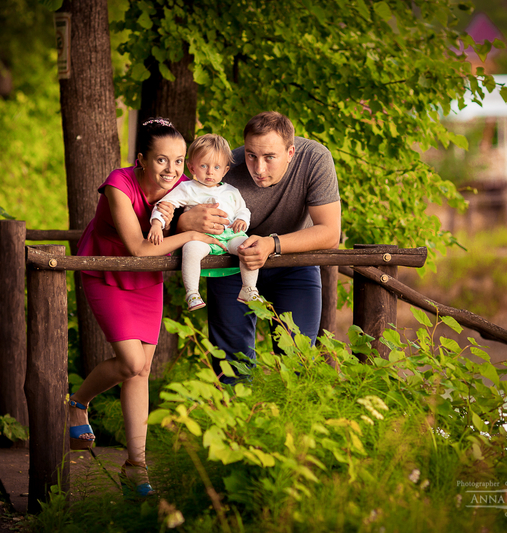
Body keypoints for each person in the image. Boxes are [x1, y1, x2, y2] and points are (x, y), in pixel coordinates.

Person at [70, 118, 224, 497]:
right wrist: (189, 233)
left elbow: (212, 211)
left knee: (141, 372)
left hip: (146, 280)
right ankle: (77, 402)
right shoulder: (118, 185)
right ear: (141, 159)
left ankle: (135, 467)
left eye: (178, 161)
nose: (171, 170)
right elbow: (139, 248)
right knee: (131, 362)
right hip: (107, 269)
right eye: (161, 160)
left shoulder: (184, 187)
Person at [172, 111, 341, 382]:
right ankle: (234, 409)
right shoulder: (223, 165)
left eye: (269, 157)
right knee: (231, 364)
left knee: (297, 360)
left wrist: (272, 244)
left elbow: (330, 233)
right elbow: (174, 213)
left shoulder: (315, 159)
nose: (258, 168)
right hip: (231, 261)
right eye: (251, 155)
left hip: (294, 261)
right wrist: (183, 222)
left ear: (291, 152)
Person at [147, 134, 261, 311]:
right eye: (203, 166)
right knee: (190, 249)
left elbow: (243, 209)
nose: (210, 172)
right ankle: (192, 292)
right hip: (201, 238)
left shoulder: (231, 191)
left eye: (216, 167)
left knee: (249, 246)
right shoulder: (187, 188)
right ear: (191, 167)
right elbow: (165, 205)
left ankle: (249, 288)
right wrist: (156, 224)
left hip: (230, 235)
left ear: (225, 170)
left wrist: (242, 220)